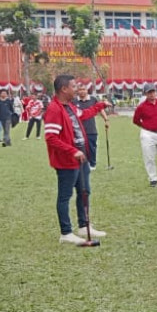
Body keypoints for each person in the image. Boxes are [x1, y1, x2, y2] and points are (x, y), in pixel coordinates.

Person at [43, 75, 109, 244]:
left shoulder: (70, 106)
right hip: (67, 160)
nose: (77, 88)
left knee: (84, 191)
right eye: (74, 86)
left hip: (81, 157)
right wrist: (72, 151)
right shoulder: (54, 109)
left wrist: (100, 105)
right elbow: (51, 137)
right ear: (64, 89)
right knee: (65, 196)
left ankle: (83, 225)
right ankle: (65, 233)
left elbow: (85, 114)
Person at [75, 84, 108, 169]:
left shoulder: (93, 99)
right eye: (80, 90)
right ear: (77, 91)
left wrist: (106, 119)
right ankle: (82, 164)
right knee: (80, 147)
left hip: (91, 128)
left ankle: (92, 164)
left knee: (92, 148)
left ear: (87, 90)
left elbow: (100, 109)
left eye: (84, 89)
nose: (82, 91)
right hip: (78, 129)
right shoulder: (74, 101)